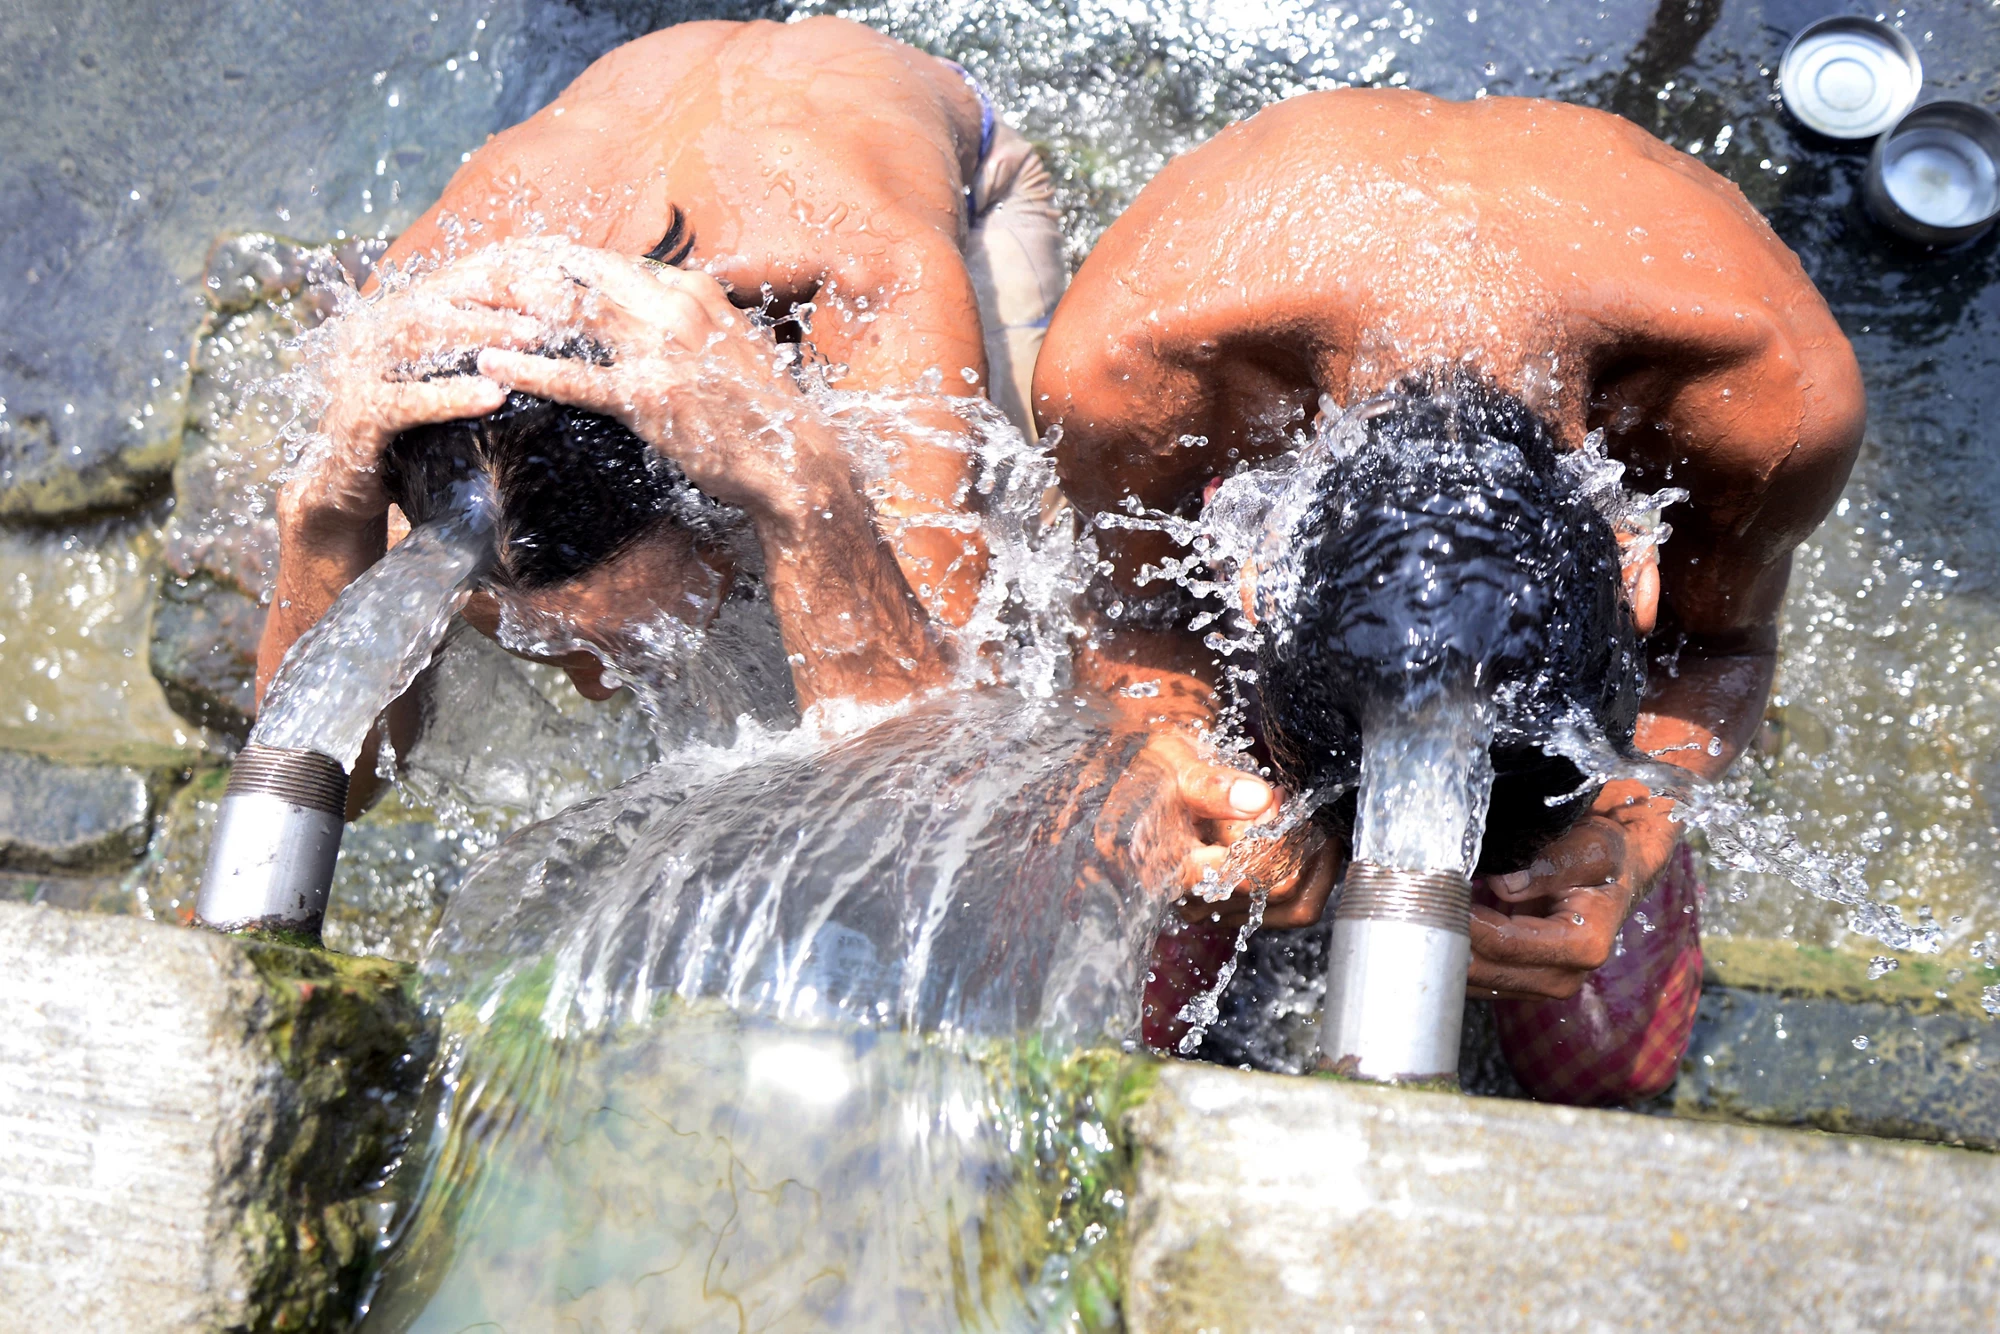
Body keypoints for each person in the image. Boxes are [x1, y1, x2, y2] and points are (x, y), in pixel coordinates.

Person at [1034, 88, 1865, 1100]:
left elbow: (1725, 648)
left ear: (1637, 570)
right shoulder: (1140, 368)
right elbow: (1128, 612)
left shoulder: (1763, 396)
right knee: (1113, 1009)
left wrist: (1626, 834)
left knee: (1601, 1071)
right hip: (1288, 485)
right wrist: (1165, 749)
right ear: (1249, 575)